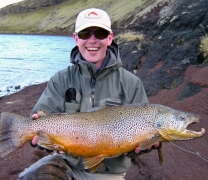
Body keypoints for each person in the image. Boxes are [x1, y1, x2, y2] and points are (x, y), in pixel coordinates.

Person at [18, 8, 158, 180]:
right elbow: (40, 117)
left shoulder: (131, 83)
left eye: (100, 33)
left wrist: (147, 145)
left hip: (108, 173)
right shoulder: (60, 79)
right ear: (76, 38)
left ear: (110, 38)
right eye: (85, 33)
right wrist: (41, 139)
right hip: (65, 163)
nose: (92, 40)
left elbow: (134, 150)